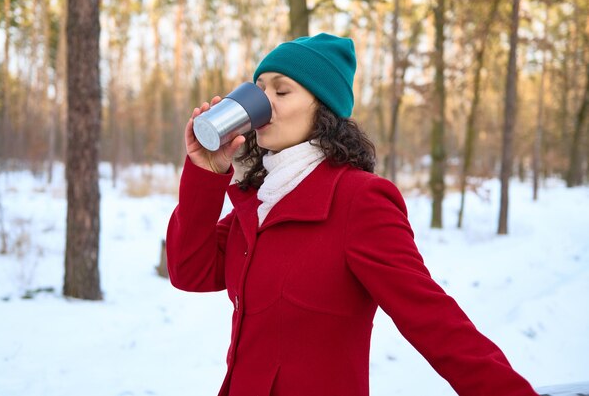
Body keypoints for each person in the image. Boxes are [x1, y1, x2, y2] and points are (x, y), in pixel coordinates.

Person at [166, 33, 539, 396]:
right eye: (258, 88)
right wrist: (206, 172)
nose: (263, 103)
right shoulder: (260, 201)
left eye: (281, 91)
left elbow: (434, 321)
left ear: (323, 110)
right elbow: (190, 271)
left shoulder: (358, 201)